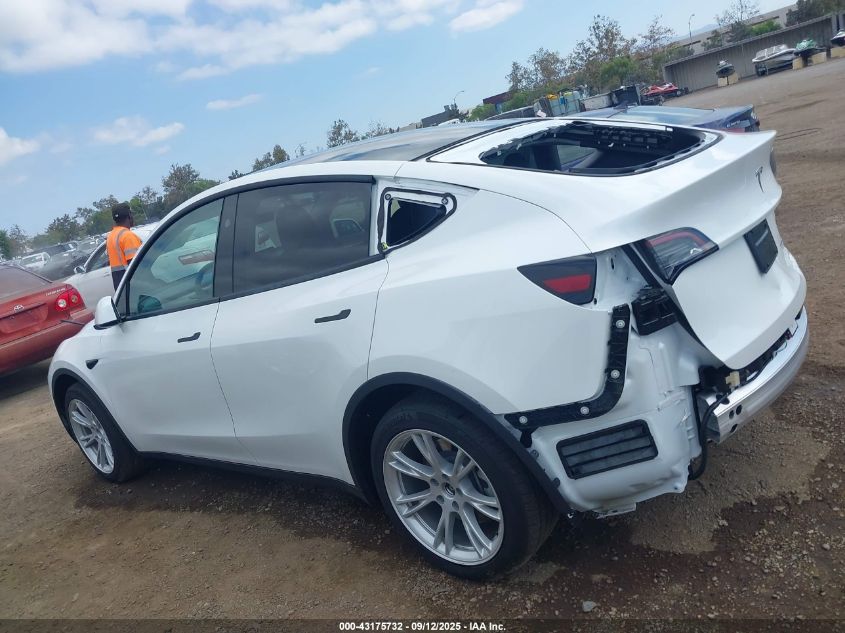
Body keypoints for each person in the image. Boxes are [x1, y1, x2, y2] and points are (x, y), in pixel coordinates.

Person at [106, 203, 142, 290]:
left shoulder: (110, 237)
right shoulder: (128, 236)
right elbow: (138, 266)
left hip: (121, 287)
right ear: (129, 215)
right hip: (133, 285)